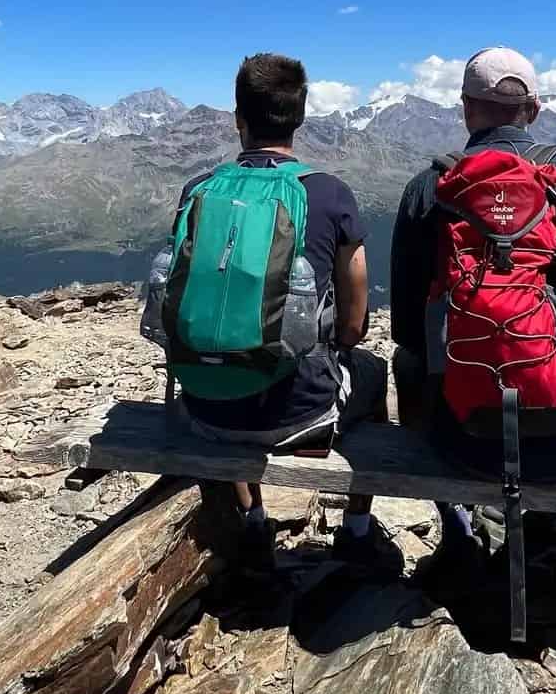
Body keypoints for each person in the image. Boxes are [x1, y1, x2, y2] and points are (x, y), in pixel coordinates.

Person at [389, 47, 556, 558]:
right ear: (536, 109)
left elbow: (408, 330)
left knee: (405, 360)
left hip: (461, 449)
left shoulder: (428, 190)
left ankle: (458, 524)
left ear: (465, 106)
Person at [161, 52, 397, 574]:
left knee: (229, 361)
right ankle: (356, 532)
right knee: (375, 373)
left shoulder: (198, 190)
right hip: (301, 416)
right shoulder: (330, 194)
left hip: (203, 408)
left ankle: (253, 522)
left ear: (238, 117)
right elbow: (355, 323)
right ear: (301, 116)